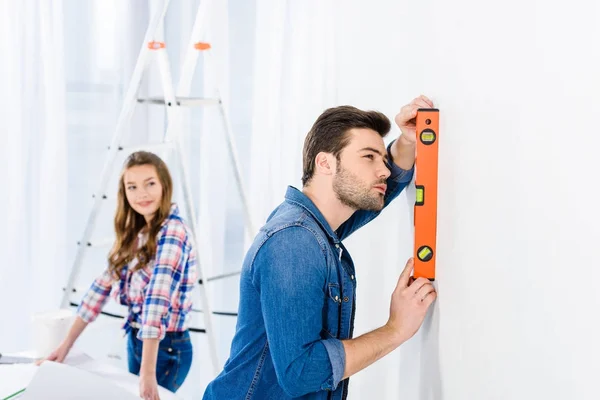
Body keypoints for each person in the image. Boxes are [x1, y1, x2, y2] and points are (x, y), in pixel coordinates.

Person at [202, 95, 438, 399]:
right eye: (369, 157)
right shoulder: (293, 241)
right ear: (325, 162)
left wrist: (407, 141)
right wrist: (395, 329)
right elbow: (301, 372)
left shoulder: (315, 228)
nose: (384, 170)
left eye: (382, 159)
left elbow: (379, 190)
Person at [38, 151, 198, 400]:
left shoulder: (173, 231)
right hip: (138, 343)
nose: (141, 194)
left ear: (165, 185)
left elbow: (156, 301)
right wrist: (65, 345)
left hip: (165, 349)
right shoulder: (139, 233)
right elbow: (100, 288)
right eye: (132, 186)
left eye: (150, 183)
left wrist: (147, 373)